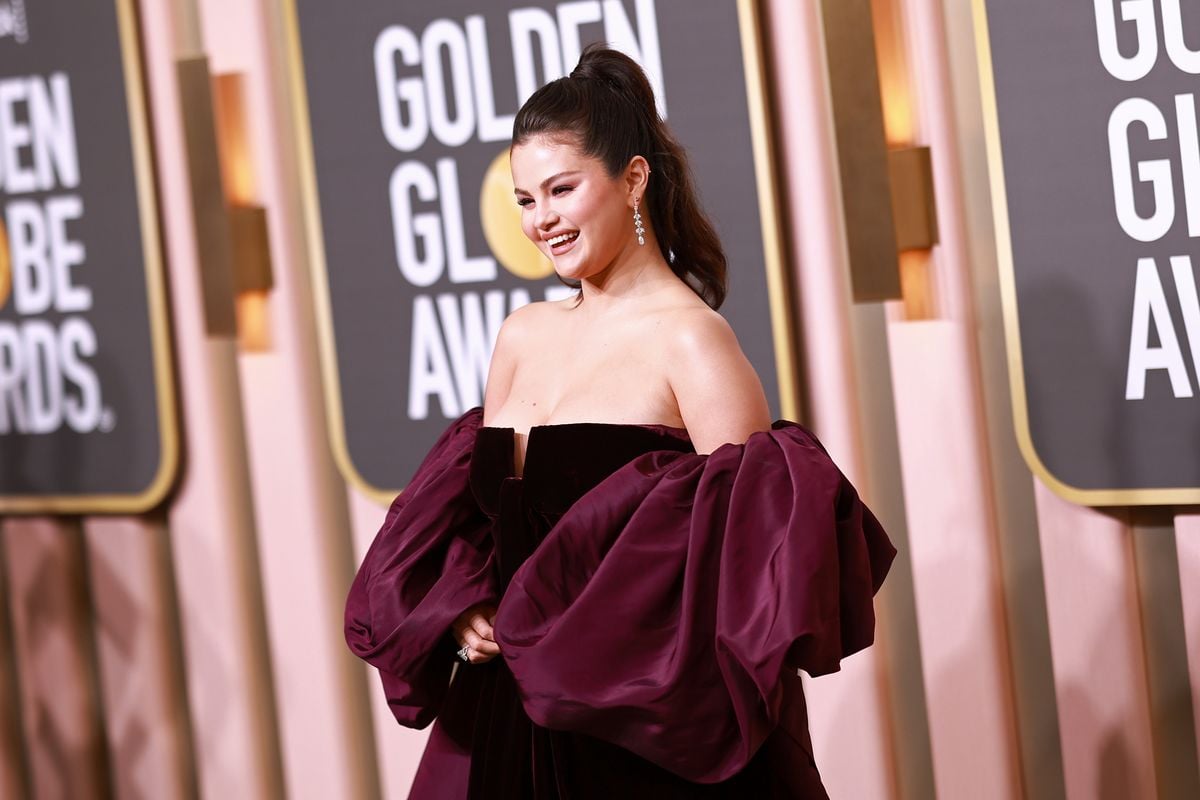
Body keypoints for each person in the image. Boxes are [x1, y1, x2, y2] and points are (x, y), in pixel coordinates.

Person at [345, 44, 895, 799]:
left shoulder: (692, 342)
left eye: (561, 190)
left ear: (632, 178)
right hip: (507, 721)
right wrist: (462, 607)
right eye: (525, 200)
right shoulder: (521, 335)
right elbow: (479, 523)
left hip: (639, 744)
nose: (542, 221)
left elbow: (742, 580)